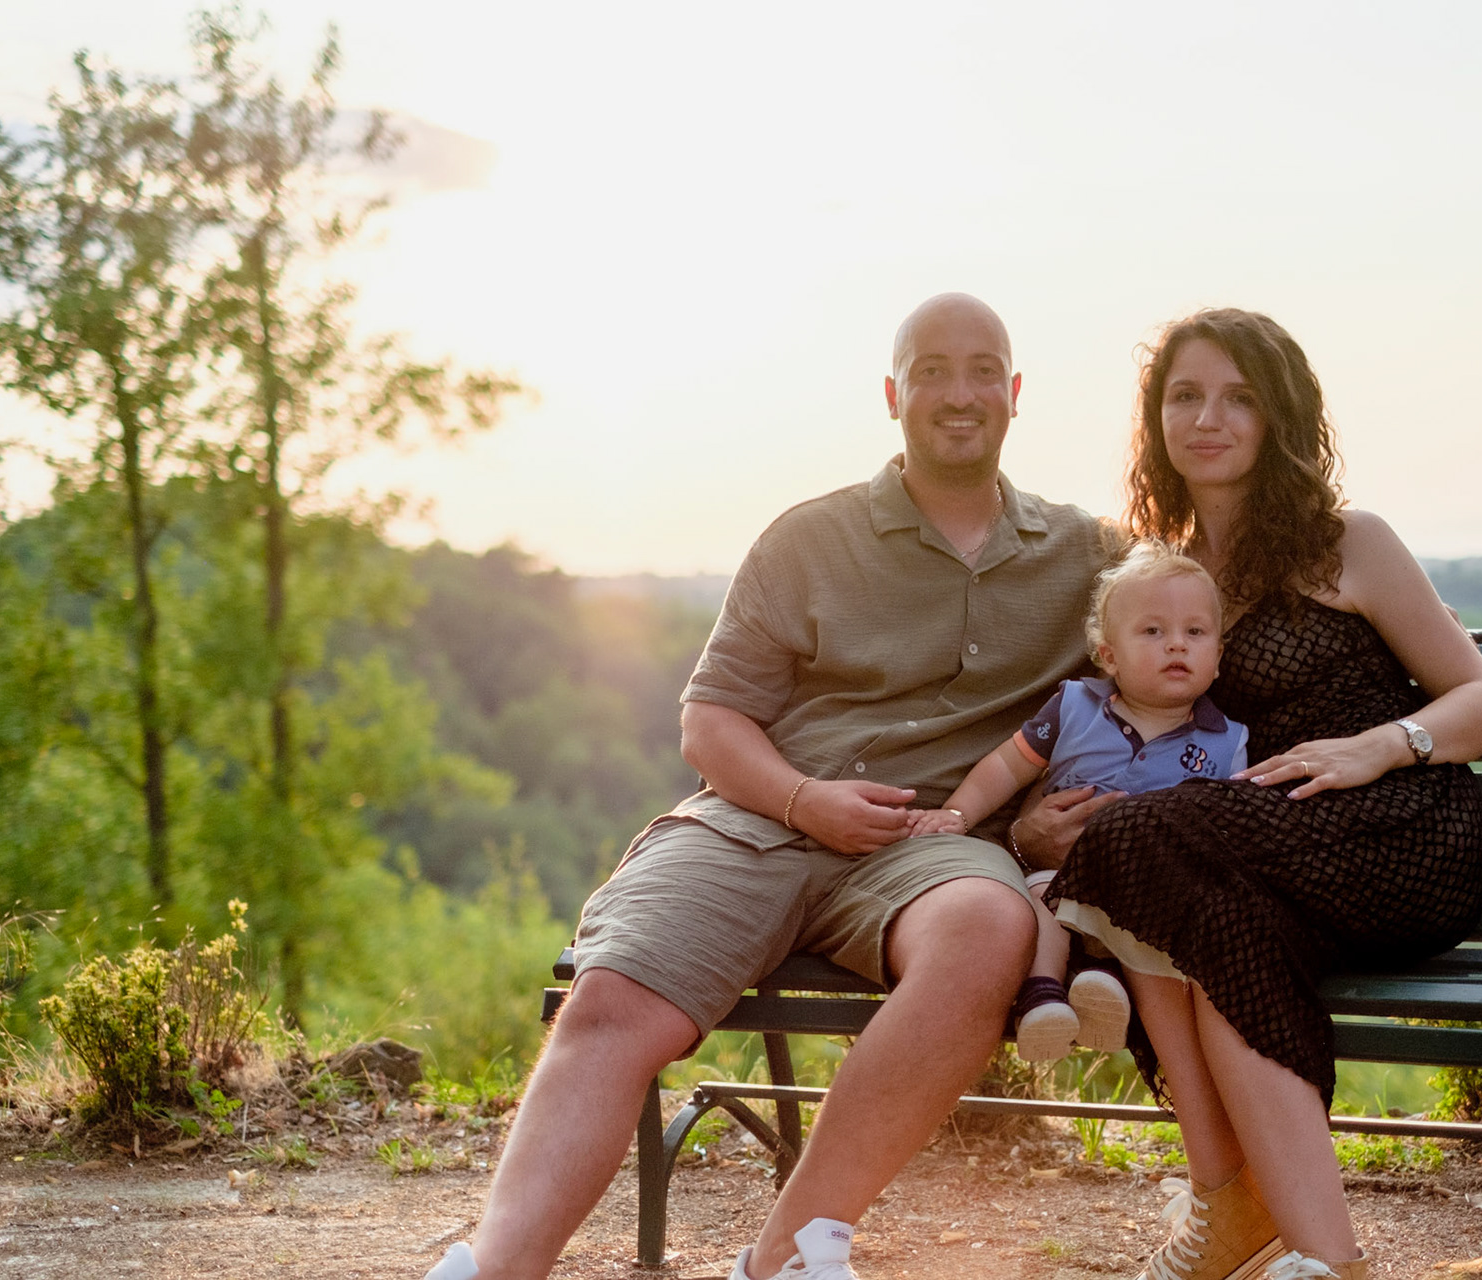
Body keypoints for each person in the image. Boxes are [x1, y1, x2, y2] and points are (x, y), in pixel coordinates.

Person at [424, 292, 1113, 1280]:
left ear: (1013, 391)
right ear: (893, 395)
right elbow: (709, 723)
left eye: (979, 371)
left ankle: (786, 1256)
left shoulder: (1086, 555)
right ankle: (496, 1267)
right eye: (930, 371)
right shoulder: (808, 539)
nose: (958, 394)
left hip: (936, 849)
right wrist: (802, 799)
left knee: (989, 929)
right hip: (757, 822)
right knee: (615, 995)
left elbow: (1179, 647)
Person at [1015, 308, 1482, 1280]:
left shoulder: (1348, 543)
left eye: (1238, 397)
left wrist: (1378, 746)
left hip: (1396, 832)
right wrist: (1035, 824)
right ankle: (1317, 1250)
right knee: (1214, 924)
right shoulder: (1163, 577)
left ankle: (1229, 1203)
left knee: (1139, 850)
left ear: (1280, 416)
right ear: (1157, 420)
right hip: (1257, 852)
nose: (1209, 417)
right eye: (1186, 395)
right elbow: (1110, 726)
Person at [905, 543, 1248, 1062]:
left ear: (1217, 658)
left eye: (1195, 632)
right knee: (1040, 897)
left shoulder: (1227, 741)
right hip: (1061, 874)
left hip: (1150, 896)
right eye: (1153, 631)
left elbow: (1236, 825)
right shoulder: (1074, 706)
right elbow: (1008, 766)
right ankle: (1042, 995)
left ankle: (1104, 983)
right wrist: (957, 812)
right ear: (1109, 655)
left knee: (1155, 913)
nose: (1177, 644)